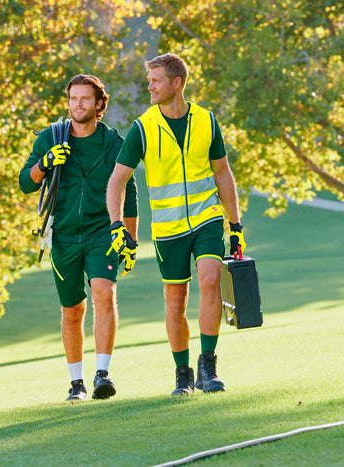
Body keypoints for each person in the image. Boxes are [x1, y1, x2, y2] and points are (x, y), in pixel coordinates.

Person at [106, 53, 246, 396]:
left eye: (155, 80)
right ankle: (183, 373)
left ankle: (208, 366)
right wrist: (116, 224)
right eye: (150, 80)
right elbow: (117, 181)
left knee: (210, 280)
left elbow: (222, 173)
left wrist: (235, 224)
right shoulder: (142, 128)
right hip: (168, 230)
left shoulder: (207, 121)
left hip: (206, 218)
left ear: (176, 83)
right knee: (176, 300)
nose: (149, 86)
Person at [19, 74, 138, 401]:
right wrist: (44, 163)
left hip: (103, 231)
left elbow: (129, 191)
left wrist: (130, 238)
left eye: (85, 99)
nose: (78, 105)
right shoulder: (50, 137)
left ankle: (102, 373)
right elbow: (25, 183)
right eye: (73, 99)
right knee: (72, 310)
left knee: (104, 291)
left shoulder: (114, 143)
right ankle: (77, 382)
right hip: (63, 235)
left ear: (99, 104)